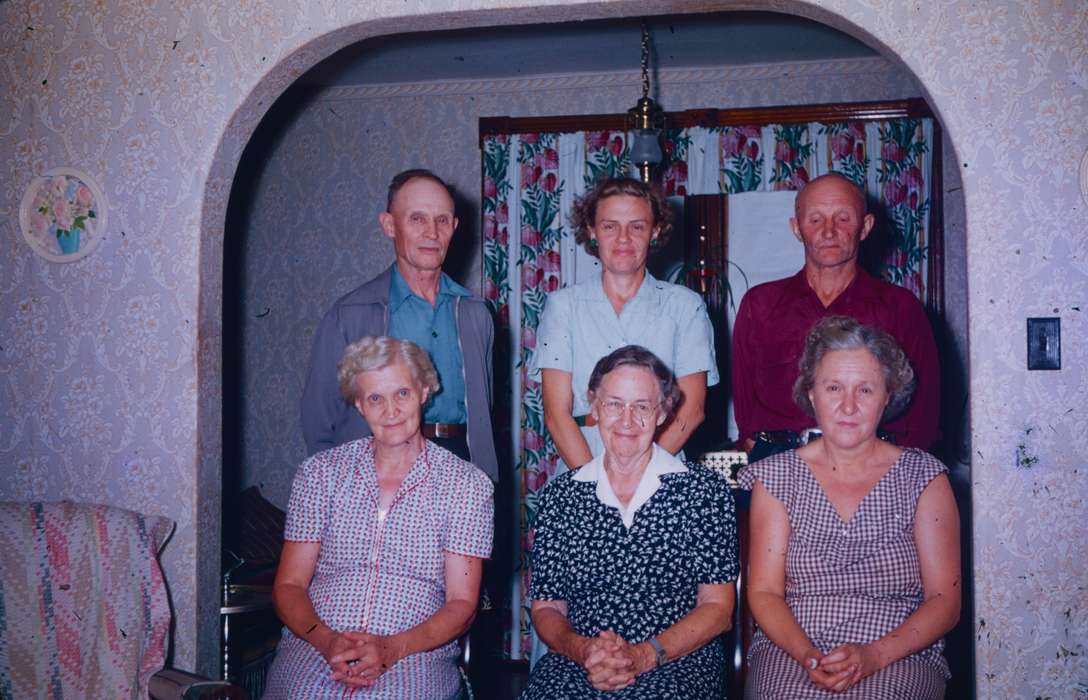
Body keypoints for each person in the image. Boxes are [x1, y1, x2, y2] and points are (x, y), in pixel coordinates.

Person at [739, 316, 960, 699]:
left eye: (866, 390)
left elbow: (945, 601)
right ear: (811, 394)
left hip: (898, 653)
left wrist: (874, 655)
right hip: (792, 648)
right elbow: (764, 593)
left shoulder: (924, 477)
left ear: (888, 396)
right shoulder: (775, 476)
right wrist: (808, 656)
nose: (848, 406)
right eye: (833, 387)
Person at [264, 336, 494, 699]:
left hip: (415, 653)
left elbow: (462, 605)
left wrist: (392, 648)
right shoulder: (319, 474)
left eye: (402, 393)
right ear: (358, 404)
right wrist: (328, 643)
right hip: (315, 647)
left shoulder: (465, 485)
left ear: (423, 391)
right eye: (375, 398)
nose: (391, 411)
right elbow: (289, 585)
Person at [522, 345, 739, 699]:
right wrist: (583, 650)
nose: (626, 420)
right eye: (614, 404)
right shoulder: (561, 497)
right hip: (582, 662)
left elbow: (717, 609)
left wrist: (644, 655)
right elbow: (547, 607)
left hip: (677, 660)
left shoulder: (703, 491)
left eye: (641, 406)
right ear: (593, 407)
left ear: (663, 412)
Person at [300, 169, 498, 481]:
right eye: (417, 218)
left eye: (442, 220)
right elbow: (319, 422)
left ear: (454, 227)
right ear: (390, 225)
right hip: (377, 470)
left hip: (461, 469)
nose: (431, 232)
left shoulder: (476, 313)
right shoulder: (350, 315)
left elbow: (484, 414)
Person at [731, 172, 940, 461]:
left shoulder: (899, 307)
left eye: (843, 218)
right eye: (815, 219)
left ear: (865, 227)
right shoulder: (760, 304)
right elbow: (745, 404)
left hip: (872, 461)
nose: (828, 232)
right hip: (780, 461)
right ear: (796, 228)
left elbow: (924, 410)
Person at [531, 177, 718, 470]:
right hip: (581, 461)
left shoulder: (686, 306)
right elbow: (556, 413)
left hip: (661, 462)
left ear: (654, 232)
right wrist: (594, 485)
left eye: (637, 226)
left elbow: (692, 409)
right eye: (609, 226)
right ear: (592, 231)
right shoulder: (563, 306)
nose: (623, 238)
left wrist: (640, 476)